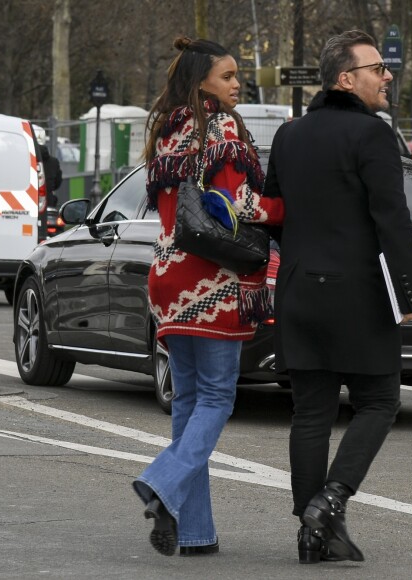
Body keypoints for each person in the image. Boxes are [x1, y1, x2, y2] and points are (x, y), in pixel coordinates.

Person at [263, 30, 412, 564]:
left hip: (300, 291)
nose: (387, 75)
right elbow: (391, 218)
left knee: (311, 412)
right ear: (345, 79)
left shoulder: (289, 135)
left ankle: (312, 534)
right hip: (358, 294)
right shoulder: (372, 134)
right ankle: (331, 501)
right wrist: (409, 289)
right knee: (380, 401)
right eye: (376, 68)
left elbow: (273, 214)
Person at [132, 36, 284, 557]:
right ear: (202, 84)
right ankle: (160, 479)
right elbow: (241, 205)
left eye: (237, 75)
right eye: (227, 76)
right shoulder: (221, 129)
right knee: (218, 396)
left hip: (167, 276)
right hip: (211, 279)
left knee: (189, 401)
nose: (237, 84)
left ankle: (194, 530)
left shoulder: (168, 130)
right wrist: (283, 208)